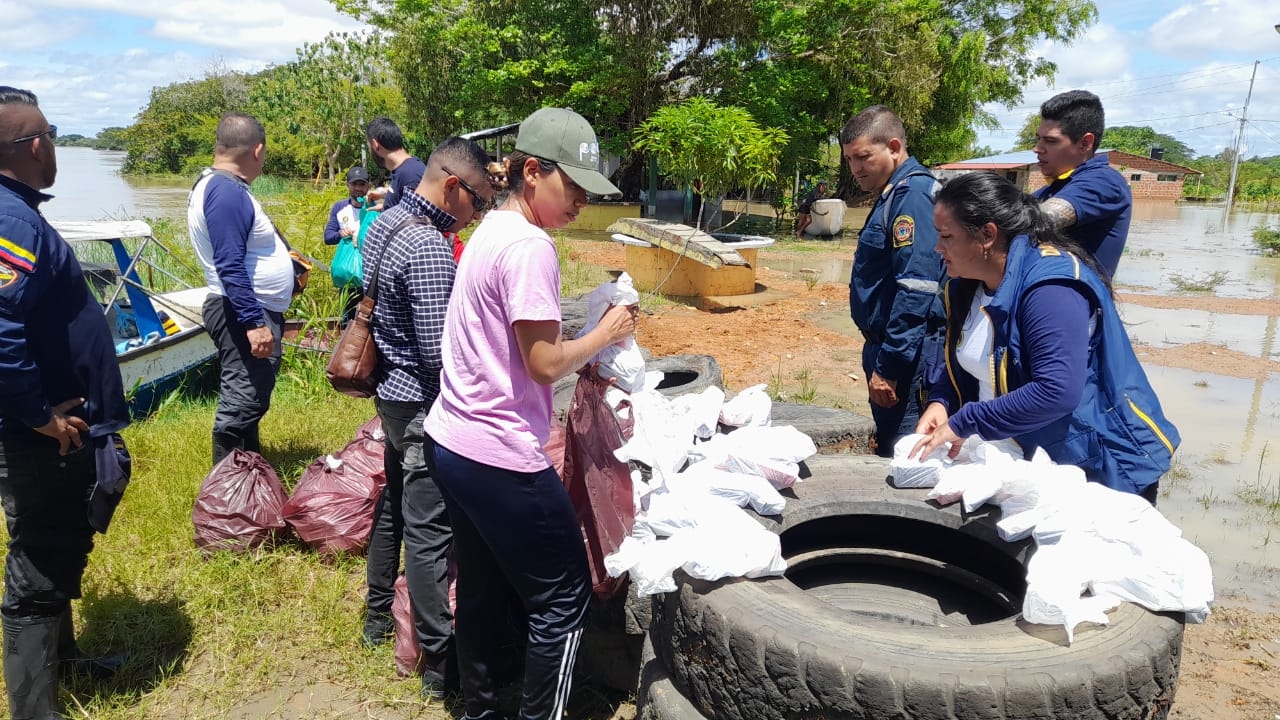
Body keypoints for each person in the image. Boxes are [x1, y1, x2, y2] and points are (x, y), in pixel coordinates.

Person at [424, 107, 637, 720]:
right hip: (499, 454)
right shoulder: (530, 246)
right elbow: (544, 363)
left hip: (451, 441)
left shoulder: (490, 227)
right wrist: (605, 333)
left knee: (482, 589)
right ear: (533, 172)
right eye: (572, 187)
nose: (580, 203)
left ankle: (479, 709)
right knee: (564, 600)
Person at [911, 171, 1179, 503]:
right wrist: (943, 401)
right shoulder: (966, 285)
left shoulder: (1050, 289)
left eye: (946, 236)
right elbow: (965, 360)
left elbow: (1056, 391)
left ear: (987, 235)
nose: (937, 247)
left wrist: (966, 420)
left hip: (1096, 466)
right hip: (1023, 455)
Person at [0, 86, 130, 719]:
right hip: (38, 431)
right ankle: (34, 711)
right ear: (33, 146)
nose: (53, 144)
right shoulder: (13, 220)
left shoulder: (18, 211)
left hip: (51, 424)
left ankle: (67, 663)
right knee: (38, 559)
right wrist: (38, 416)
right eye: (50, 133)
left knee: (56, 541)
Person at [359, 137, 495, 700]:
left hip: (388, 394)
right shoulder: (430, 248)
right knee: (428, 529)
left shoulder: (384, 223)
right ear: (453, 187)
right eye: (478, 202)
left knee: (394, 503)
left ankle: (375, 617)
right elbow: (440, 355)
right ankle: (440, 664)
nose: (477, 215)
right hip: (420, 404)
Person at [188, 113, 294, 465]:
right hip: (241, 311)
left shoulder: (222, 186)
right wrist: (253, 322)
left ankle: (250, 472)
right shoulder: (226, 192)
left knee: (252, 397)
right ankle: (225, 488)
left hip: (247, 307)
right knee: (242, 402)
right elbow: (229, 263)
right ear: (258, 150)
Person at [840, 105, 945, 457]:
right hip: (887, 348)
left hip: (907, 358)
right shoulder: (893, 194)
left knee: (907, 455)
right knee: (892, 446)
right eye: (850, 159)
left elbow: (917, 287)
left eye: (863, 157)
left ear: (895, 147)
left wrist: (889, 366)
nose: (855, 168)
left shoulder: (913, 196)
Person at [1032, 90, 1131, 278]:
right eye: (1038, 139)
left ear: (1085, 143)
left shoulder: (1104, 181)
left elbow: (1039, 219)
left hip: (1074, 295)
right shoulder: (1050, 190)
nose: (1038, 148)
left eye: (1051, 141)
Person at [324, 166, 371, 322]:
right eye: (354, 184)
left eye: (362, 184)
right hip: (349, 275)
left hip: (371, 274)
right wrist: (340, 234)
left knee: (371, 319)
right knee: (348, 319)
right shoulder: (340, 208)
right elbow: (328, 237)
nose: (358, 188)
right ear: (347, 185)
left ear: (368, 186)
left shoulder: (374, 208)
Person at [367, 118, 426, 211]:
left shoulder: (410, 174)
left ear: (375, 145)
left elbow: (417, 217)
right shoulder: (404, 171)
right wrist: (384, 203)